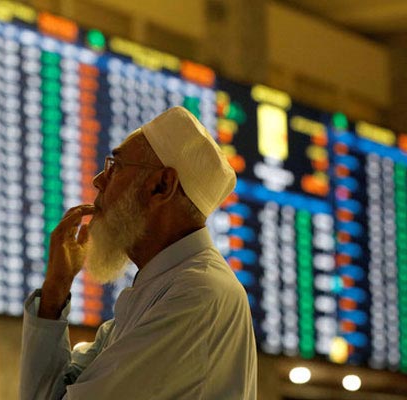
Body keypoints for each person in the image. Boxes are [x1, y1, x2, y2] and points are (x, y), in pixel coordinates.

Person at [20, 106, 257, 399]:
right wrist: (56, 290)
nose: (98, 180)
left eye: (116, 167)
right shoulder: (158, 289)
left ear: (161, 185)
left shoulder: (197, 293)